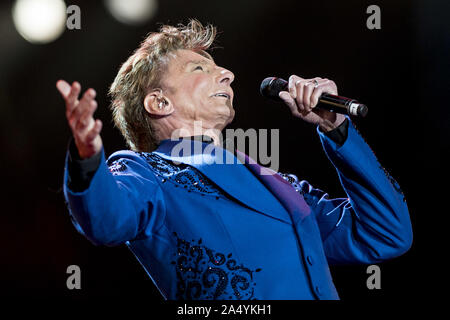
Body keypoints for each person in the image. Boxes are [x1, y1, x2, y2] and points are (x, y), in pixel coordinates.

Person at [57, 20, 412, 300]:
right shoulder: (148, 173)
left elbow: (385, 234)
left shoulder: (280, 186)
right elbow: (106, 219)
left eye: (219, 68)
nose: (227, 74)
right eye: (198, 68)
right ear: (160, 103)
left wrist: (336, 128)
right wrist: (88, 156)